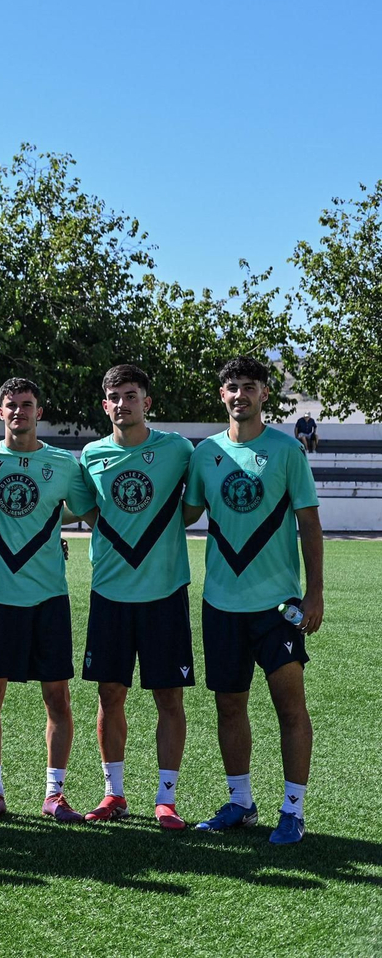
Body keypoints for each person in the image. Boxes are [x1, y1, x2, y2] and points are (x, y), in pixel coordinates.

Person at [186, 356, 323, 845]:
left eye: (249, 386)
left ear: (265, 394)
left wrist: (315, 593)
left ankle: (294, 810)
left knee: (290, 706)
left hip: (277, 607)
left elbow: (309, 523)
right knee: (229, 705)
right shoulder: (205, 454)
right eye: (231, 387)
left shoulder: (287, 451)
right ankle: (241, 803)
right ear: (221, 395)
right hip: (221, 602)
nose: (239, 394)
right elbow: (186, 513)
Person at [0, 379, 97, 821]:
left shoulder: (62, 463)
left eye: (27, 405)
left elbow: (85, 510)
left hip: (48, 599)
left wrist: (52, 532)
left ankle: (54, 794)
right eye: (11, 406)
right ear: (0, 412)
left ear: (40, 411)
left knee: (58, 698)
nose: (19, 412)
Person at [79, 364, 196, 829]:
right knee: (110, 694)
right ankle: (114, 794)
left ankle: (165, 798)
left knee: (169, 697)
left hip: (165, 594)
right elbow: (87, 509)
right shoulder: (90, 455)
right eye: (114, 396)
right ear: (105, 405)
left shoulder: (177, 450)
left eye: (132, 395)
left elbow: (191, 509)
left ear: (147, 402)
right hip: (110, 592)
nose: (122, 403)